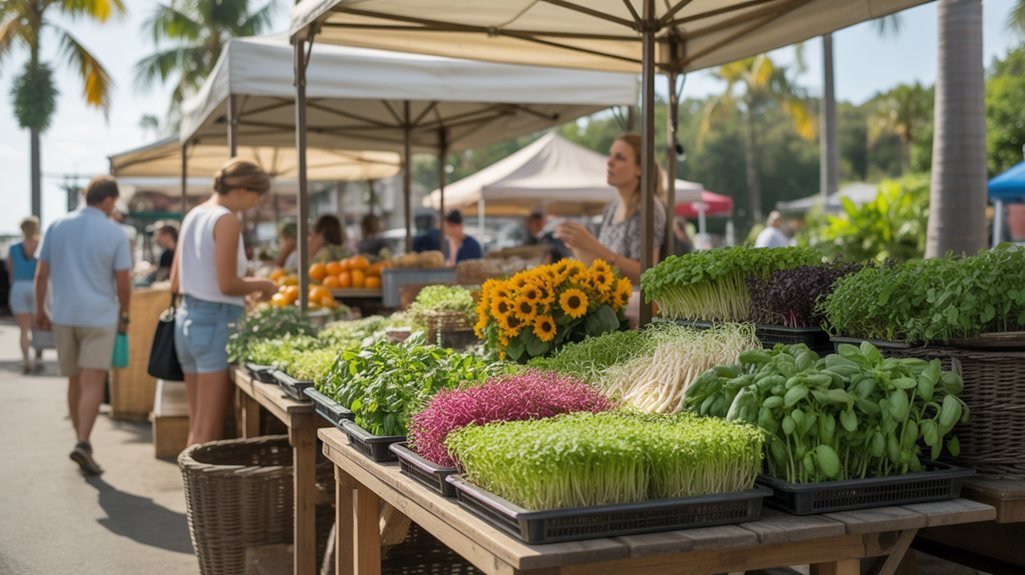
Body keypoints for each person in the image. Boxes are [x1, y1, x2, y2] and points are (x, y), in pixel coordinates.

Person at [173, 159, 278, 446]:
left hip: (187, 320)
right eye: (257, 195)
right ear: (242, 190)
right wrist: (263, 285)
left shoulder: (194, 214)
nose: (257, 202)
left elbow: (176, 280)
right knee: (209, 431)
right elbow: (227, 284)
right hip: (215, 323)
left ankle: (189, 477)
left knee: (197, 427)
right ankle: (194, 479)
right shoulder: (226, 219)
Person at [35, 176, 132, 475]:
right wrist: (125, 312)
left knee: (74, 380)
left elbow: (42, 274)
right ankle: (83, 441)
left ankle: (80, 439)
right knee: (93, 381)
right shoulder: (115, 233)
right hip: (99, 316)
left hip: (64, 314)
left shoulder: (56, 226)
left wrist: (40, 310)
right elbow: (123, 282)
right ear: (108, 200)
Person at [556, 132, 667, 285]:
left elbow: (646, 274)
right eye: (611, 155)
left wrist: (591, 244)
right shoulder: (612, 208)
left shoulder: (649, 208)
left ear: (640, 169)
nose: (609, 162)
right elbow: (600, 266)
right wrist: (578, 244)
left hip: (634, 299)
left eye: (619, 157)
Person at [7, 216, 41, 374]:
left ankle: (26, 361)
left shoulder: (14, 248)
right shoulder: (40, 245)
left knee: (23, 330)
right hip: (36, 286)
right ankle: (37, 359)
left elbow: (10, 272)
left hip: (19, 287)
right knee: (36, 327)